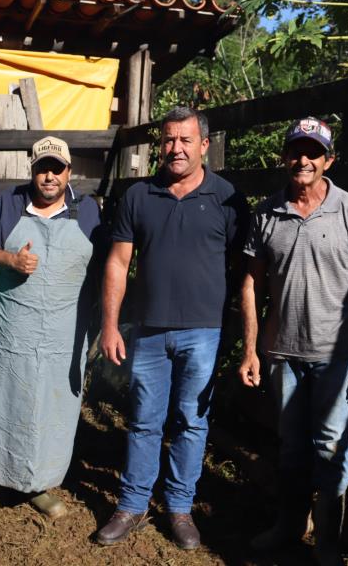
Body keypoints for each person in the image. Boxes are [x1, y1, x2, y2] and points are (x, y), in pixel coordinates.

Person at [97, 106, 249, 549]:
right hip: (147, 329)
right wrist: (111, 324)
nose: (175, 148)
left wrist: (243, 333)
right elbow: (118, 262)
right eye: (168, 140)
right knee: (144, 420)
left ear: (204, 145)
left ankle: (180, 507)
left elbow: (245, 270)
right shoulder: (138, 196)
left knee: (191, 420)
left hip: (203, 331)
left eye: (185, 140)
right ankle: (132, 503)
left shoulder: (227, 200)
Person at [238, 117, 348, 566]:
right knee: (292, 446)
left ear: (328, 160)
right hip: (283, 352)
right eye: (296, 150)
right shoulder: (266, 213)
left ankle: (328, 543)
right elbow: (249, 285)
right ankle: (290, 524)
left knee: (332, 448)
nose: (303, 159)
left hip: (339, 356)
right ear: (284, 157)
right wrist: (250, 349)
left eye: (313, 152)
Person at [0, 136, 104, 524]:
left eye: (56, 169)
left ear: (69, 172)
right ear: (32, 170)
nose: (49, 175)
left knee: (53, 407)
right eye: (42, 167)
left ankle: (39, 484)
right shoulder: (10, 201)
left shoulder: (88, 210)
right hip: (16, 331)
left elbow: (107, 262)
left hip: (65, 332)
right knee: (5, 402)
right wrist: (9, 258)